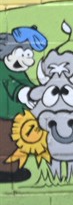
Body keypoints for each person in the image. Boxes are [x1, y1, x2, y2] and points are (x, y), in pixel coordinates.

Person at [0, 26, 46, 184]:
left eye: (30, 55)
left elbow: (26, 85)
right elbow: (15, 87)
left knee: (14, 145)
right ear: (10, 53)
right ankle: (5, 171)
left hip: (15, 118)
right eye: (25, 54)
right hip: (4, 118)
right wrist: (26, 94)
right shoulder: (3, 70)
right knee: (5, 143)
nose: (30, 60)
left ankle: (11, 169)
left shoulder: (18, 71)